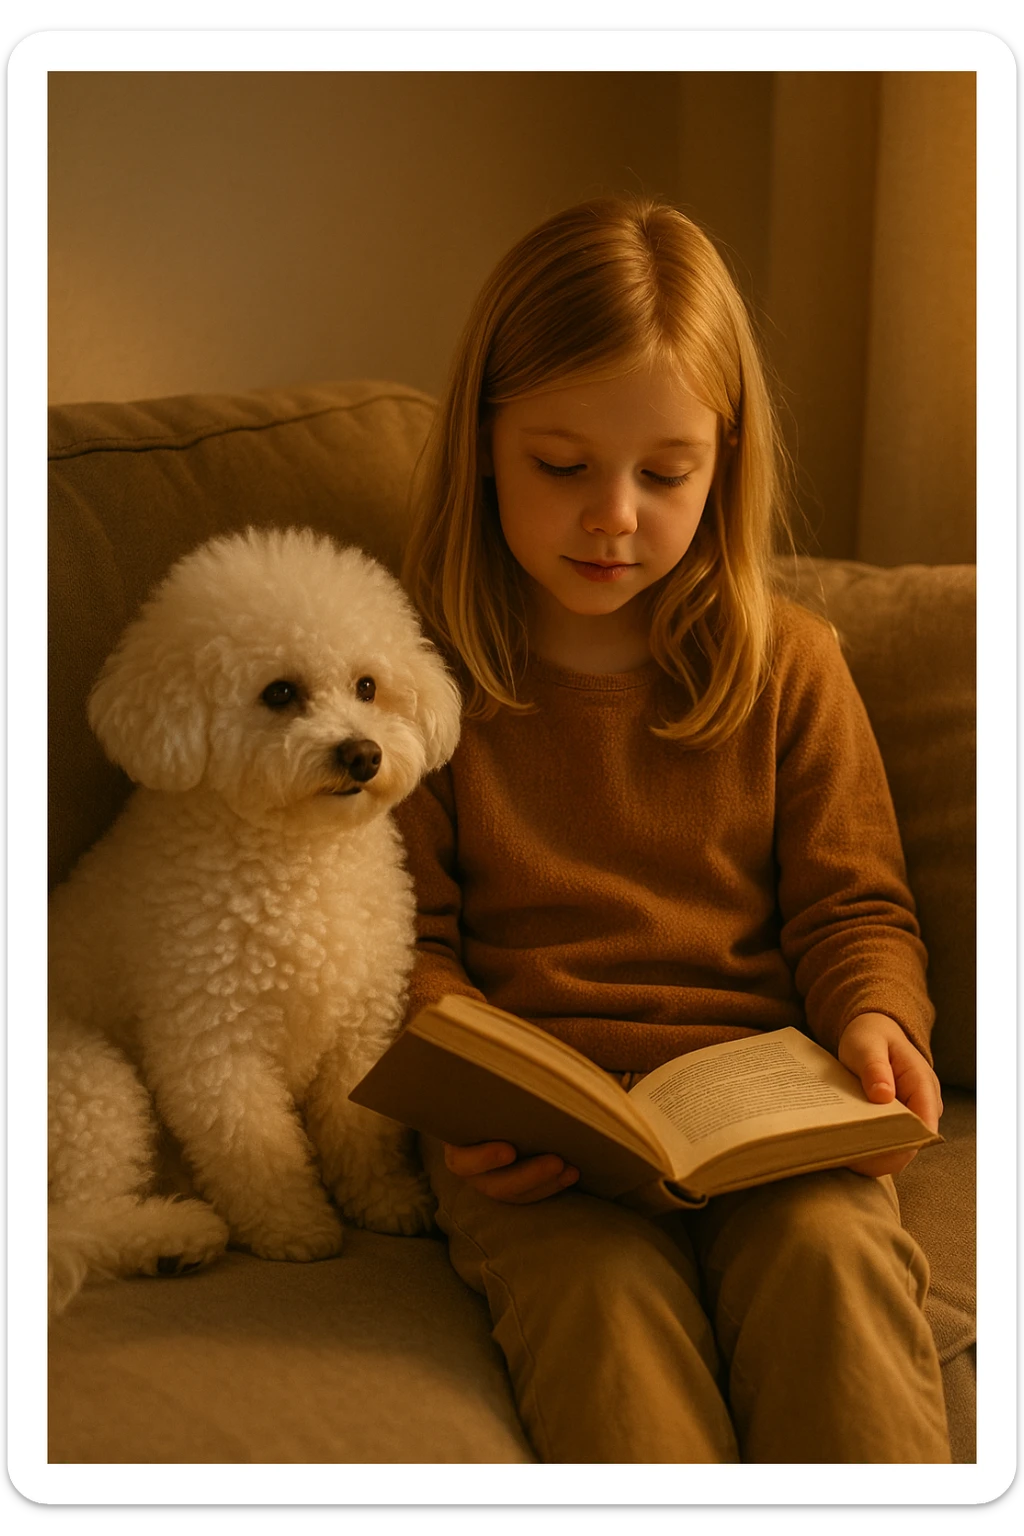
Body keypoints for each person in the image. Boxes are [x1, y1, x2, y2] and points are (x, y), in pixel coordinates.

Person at [393, 195, 951, 1464]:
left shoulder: (790, 668)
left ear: (726, 457)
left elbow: (854, 908)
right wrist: (456, 1084)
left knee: (833, 1280)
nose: (614, 515)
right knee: (604, 1326)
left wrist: (877, 1025)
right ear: (484, 444)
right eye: (561, 464)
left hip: (762, 1116)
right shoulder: (422, 681)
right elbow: (405, 944)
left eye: (665, 472)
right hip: (541, 1144)